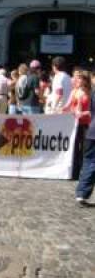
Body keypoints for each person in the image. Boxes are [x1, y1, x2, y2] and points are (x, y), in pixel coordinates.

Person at [64, 72, 91, 179]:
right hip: (74, 124)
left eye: (80, 79)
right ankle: (75, 172)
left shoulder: (90, 93)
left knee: (85, 148)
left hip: (86, 124)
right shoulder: (74, 91)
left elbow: (91, 111)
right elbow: (67, 106)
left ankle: (85, 172)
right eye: (77, 78)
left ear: (85, 80)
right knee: (74, 148)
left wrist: (82, 113)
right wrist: (59, 110)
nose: (78, 80)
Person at [75, 72, 95, 205]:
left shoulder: (93, 93)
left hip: (91, 130)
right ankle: (82, 193)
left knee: (88, 162)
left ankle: (81, 192)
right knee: (91, 162)